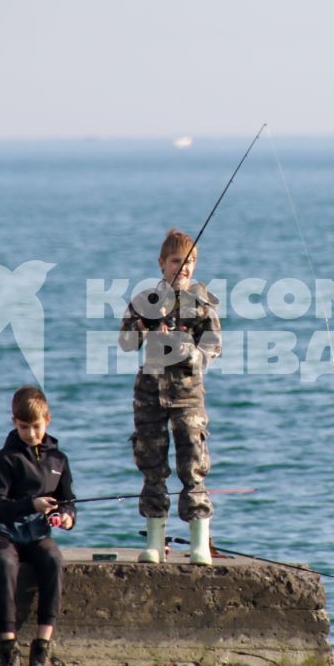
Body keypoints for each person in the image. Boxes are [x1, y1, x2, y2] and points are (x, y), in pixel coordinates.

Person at [117, 228, 222, 565]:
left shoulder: (202, 302)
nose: (185, 267)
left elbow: (213, 347)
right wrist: (147, 326)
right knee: (152, 466)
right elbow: (126, 342)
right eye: (178, 261)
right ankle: (155, 541)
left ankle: (199, 543)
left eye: (190, 262)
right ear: (162, 264)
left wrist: (187, 350)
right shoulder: (145, 300)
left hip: (188, 397)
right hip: (149, 396)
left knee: (193, 466)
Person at [0, 385, 74, 666]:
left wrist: (67, 518)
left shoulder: (59, 460)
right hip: (2, 534)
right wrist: (29, 505)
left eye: (36, 426)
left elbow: (68, 499)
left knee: (53, 560)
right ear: (14, 423)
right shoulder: (2, 460)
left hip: (36, 535)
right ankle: (9, 651)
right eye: (24, 427)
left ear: (48, 420)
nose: (31, 434)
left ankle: (41, 651)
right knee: (6, 564)